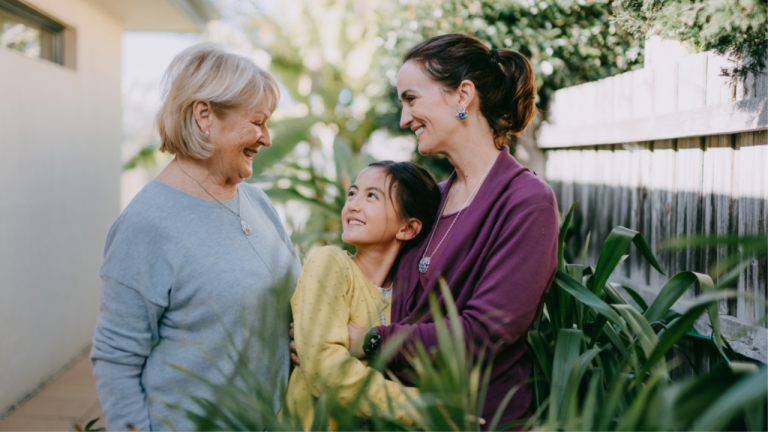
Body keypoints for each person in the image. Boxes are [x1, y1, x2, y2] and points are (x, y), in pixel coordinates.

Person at [345, 34, 560, 426]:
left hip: (477, 419)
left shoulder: (527, 201)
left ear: (463, 95)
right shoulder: (430, 200)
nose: (404, 118)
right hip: (403, 414)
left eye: (411, 99)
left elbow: (484, 333)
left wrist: (369, 341)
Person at [90, 43, 301, 431]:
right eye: (257, 122)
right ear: (204, 114)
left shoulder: (257, 201)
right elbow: (116, 357)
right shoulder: (146, 225)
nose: (267, 138)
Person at [285, 161, 441, 430]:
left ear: (407, 228)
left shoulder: (410, 300)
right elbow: (325, 369)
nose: (353, 205)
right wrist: (420, 407)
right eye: (352, 193)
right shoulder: (331, 263)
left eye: (371, 196)